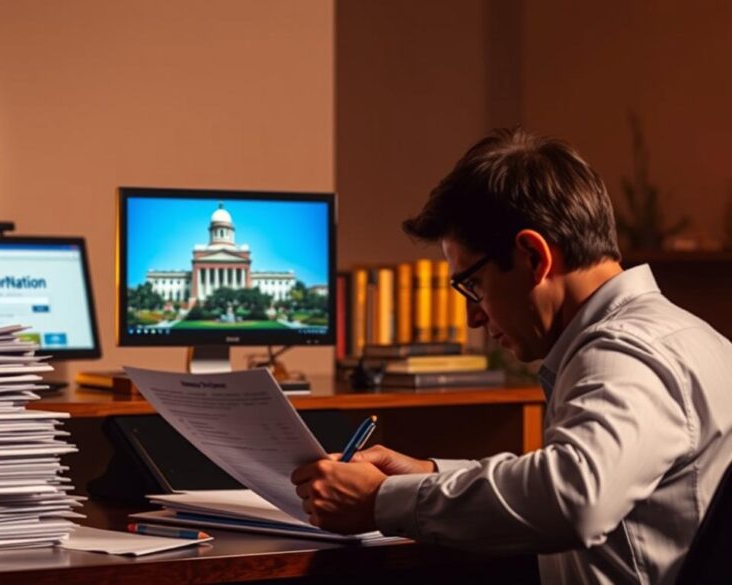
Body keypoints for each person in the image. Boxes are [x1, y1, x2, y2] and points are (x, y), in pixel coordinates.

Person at [291, 128, 732, 584]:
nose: (472, 319)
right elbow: (572, 470)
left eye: (473, 286)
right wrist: (425, 475)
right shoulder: (694, 338)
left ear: (532, 256)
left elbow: (574, 497)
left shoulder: (621, 351)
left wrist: (383, 500)